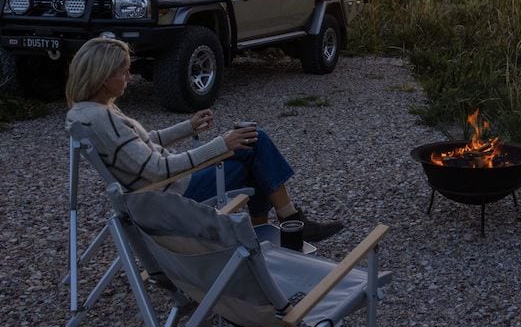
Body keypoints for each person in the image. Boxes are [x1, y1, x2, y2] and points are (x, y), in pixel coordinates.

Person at [64, 37, 343, 242]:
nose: (129, 76)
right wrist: (223, 143)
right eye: (122, 71)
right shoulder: (104, 118)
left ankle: (274, 228)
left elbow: (142, 143)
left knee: (252, 146)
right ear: (102, 77)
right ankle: (286, 223)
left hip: (154, 192)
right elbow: (158, 169)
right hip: (171, 195)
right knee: (254, 147)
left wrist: (189, 126)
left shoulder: (88, 113)